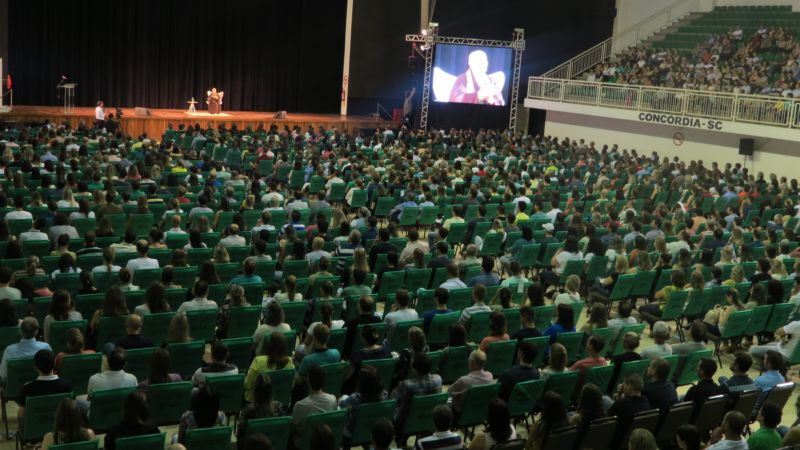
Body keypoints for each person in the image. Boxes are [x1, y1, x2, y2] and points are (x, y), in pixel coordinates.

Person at [17, 350, 73, 420]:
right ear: (54, 363)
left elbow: (22, 414)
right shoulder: (67, 385)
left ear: (35, 367)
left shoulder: (27, 388)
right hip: (61, 427)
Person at [291, 365, 338, 448]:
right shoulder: (333, 399)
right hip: (325, 444)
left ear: (308, 381)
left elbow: (292, 427)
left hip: (305, 444)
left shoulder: (300, 405)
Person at [244, 332, 294, 403]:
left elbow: (247, 385)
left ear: (269, 346)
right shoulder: (289, 361)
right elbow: (291, 385)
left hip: (256, 402)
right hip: (280, 400)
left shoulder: (258, 361)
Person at [0, 317, 52, 384]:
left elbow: (3, 376)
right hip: (41, 388)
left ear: (20, 331)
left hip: (14, 392)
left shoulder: (9, 351)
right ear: (36, 331)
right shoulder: (46, 348)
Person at [237, 375, 283, 445]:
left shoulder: (247, 412)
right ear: (271, 391)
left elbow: (240, 438)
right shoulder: (278, 408)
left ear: (255, 391)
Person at [607, 374, 651, 444]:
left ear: (630, 386)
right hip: (636, 440)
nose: (623, 386)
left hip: (617, 441)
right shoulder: (646, 401)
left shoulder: (622, 403)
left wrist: (620, 395)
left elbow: (607, 417)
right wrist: (621, 395)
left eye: (624, 385)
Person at [448, 349, 493, 414]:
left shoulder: (464, 380)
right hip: (479, 412)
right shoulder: (490, 376)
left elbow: (449, 392)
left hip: (461, 414)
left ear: (472, 362)